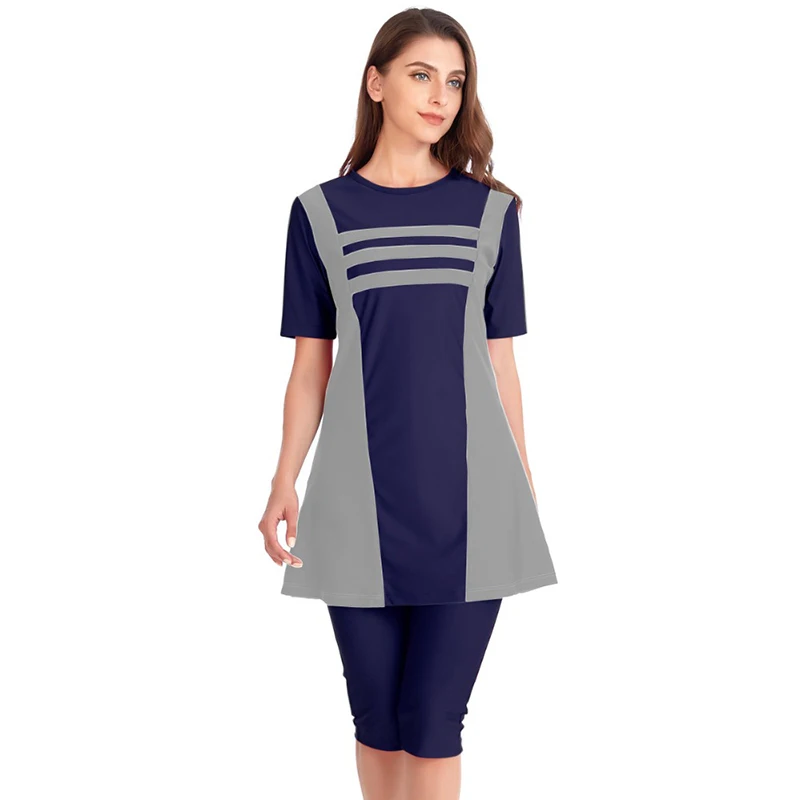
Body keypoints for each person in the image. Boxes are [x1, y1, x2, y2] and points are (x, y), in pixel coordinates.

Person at [259, 8, 558, 799]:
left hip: (473, 506)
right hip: (353, 505)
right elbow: (310, 364)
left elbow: (502, 362)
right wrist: (284, 479)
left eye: (454, 82)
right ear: (375, 82)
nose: (439, 97)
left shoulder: (490, 212)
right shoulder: (319, 214)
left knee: (433, 719)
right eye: (421, 75)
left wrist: (524, 485)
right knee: (377, 721)